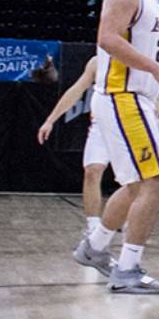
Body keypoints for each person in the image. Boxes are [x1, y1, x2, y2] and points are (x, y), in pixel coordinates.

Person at [72, 0, 159, 294]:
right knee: (157, 181)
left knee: (135, 185)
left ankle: (96, 247)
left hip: (140, 98)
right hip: (122, 95)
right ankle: (128, 270)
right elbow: (107, 39)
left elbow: (154, 54)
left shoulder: (153, 0)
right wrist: (157, 72)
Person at [38, 53, 111, 246]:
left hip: (131, 126)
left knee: (134, 183)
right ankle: (93, 228)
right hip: (101, 126)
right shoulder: (98, 62)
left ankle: (126, 225)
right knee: (92, 171)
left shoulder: (140, 57)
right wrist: (50, 120)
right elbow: (76, 90)